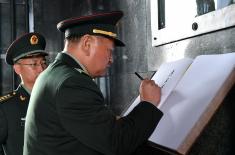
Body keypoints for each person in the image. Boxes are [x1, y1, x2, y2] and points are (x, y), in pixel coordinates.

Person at [24, 11, 163, 155]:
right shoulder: (72, 83)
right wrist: (148, 103)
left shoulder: (55, 73)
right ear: (87, 43)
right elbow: (117, 144)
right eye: (109, 51)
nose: (111, 59)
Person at [0, 32, 48, 155]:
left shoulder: (56, 99)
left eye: (43, 63)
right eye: (34, 64)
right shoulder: (5, 107)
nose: (41, 69)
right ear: (17, 68)